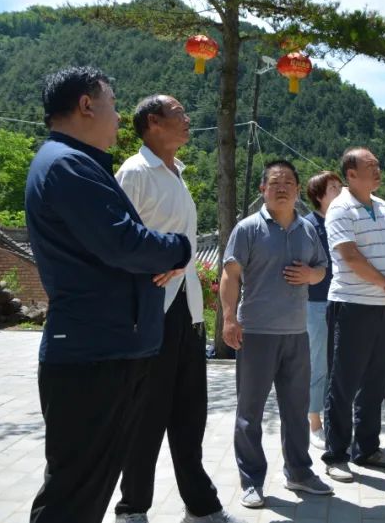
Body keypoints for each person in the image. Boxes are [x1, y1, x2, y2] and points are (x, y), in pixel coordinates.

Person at [25, 67, 192, 523]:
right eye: (113, 105)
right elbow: (124, 242)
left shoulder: (76, 164)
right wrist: (179, 247)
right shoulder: (67, 166)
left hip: (108, 347)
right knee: (74, 495)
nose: (119, 118)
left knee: (85, 489)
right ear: (85, 106)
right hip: (92, 356)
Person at [113, 95, 242, 523]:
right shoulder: (135, 172)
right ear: (153, 122)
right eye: (179, 114)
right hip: (152, 309)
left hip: (187, 310)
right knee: (147, 413)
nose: (188, 120)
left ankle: (200, 505)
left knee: (190, 413)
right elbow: (117, 241)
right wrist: (153, 264)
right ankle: (133, 506)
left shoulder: (176, 173)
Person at [220, 160, 334, 509]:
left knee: (296, 409)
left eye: (288, 182)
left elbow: (321, 269)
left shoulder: (308, 230)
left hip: (296, 333)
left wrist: (310, 276)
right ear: (262, 190)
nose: (281, 187)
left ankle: (299, 471)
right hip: (256, 332)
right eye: (274, 182)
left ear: (298, 190)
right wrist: (228, 318)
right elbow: (230, 275)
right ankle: (251, 481)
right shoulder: (248, 228)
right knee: (249, 412)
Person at [322, 147, 385, 483]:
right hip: (352, 306)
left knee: (376, 381)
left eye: (378, 164)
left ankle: (367, 448)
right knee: (343, 383)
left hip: (384, 306)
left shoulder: (384, 206)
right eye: (370, 165)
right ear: (351, 174)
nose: (378, 169)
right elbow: (349, 257)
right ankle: (336, 454)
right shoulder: (341, 208)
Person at [304, 170, 343, 450]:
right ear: (319, 195)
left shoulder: (342, 222)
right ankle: (314, 422)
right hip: (315, 302)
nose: (340, 191)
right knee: (318, 363)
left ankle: (332, 418)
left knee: (338, 365)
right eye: (333, 187)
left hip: (342, 300)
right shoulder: (309, 225)